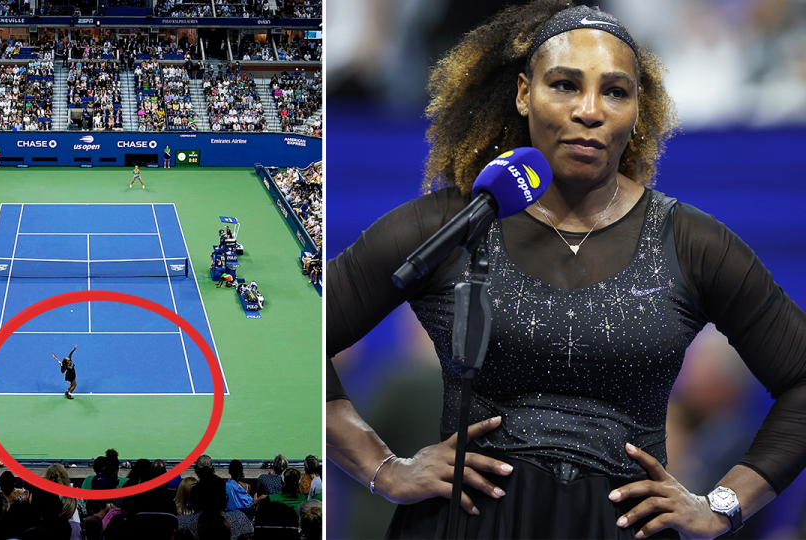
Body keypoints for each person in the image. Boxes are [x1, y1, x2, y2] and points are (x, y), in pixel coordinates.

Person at [326, 2, 806, 539]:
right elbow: (305, 336)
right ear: (524, 93)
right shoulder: (452, 224)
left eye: (616, 91)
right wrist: (383, 469)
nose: (590, 110)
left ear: (637, 108)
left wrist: (722, 506)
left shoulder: (693, 243)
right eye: (565, 85)